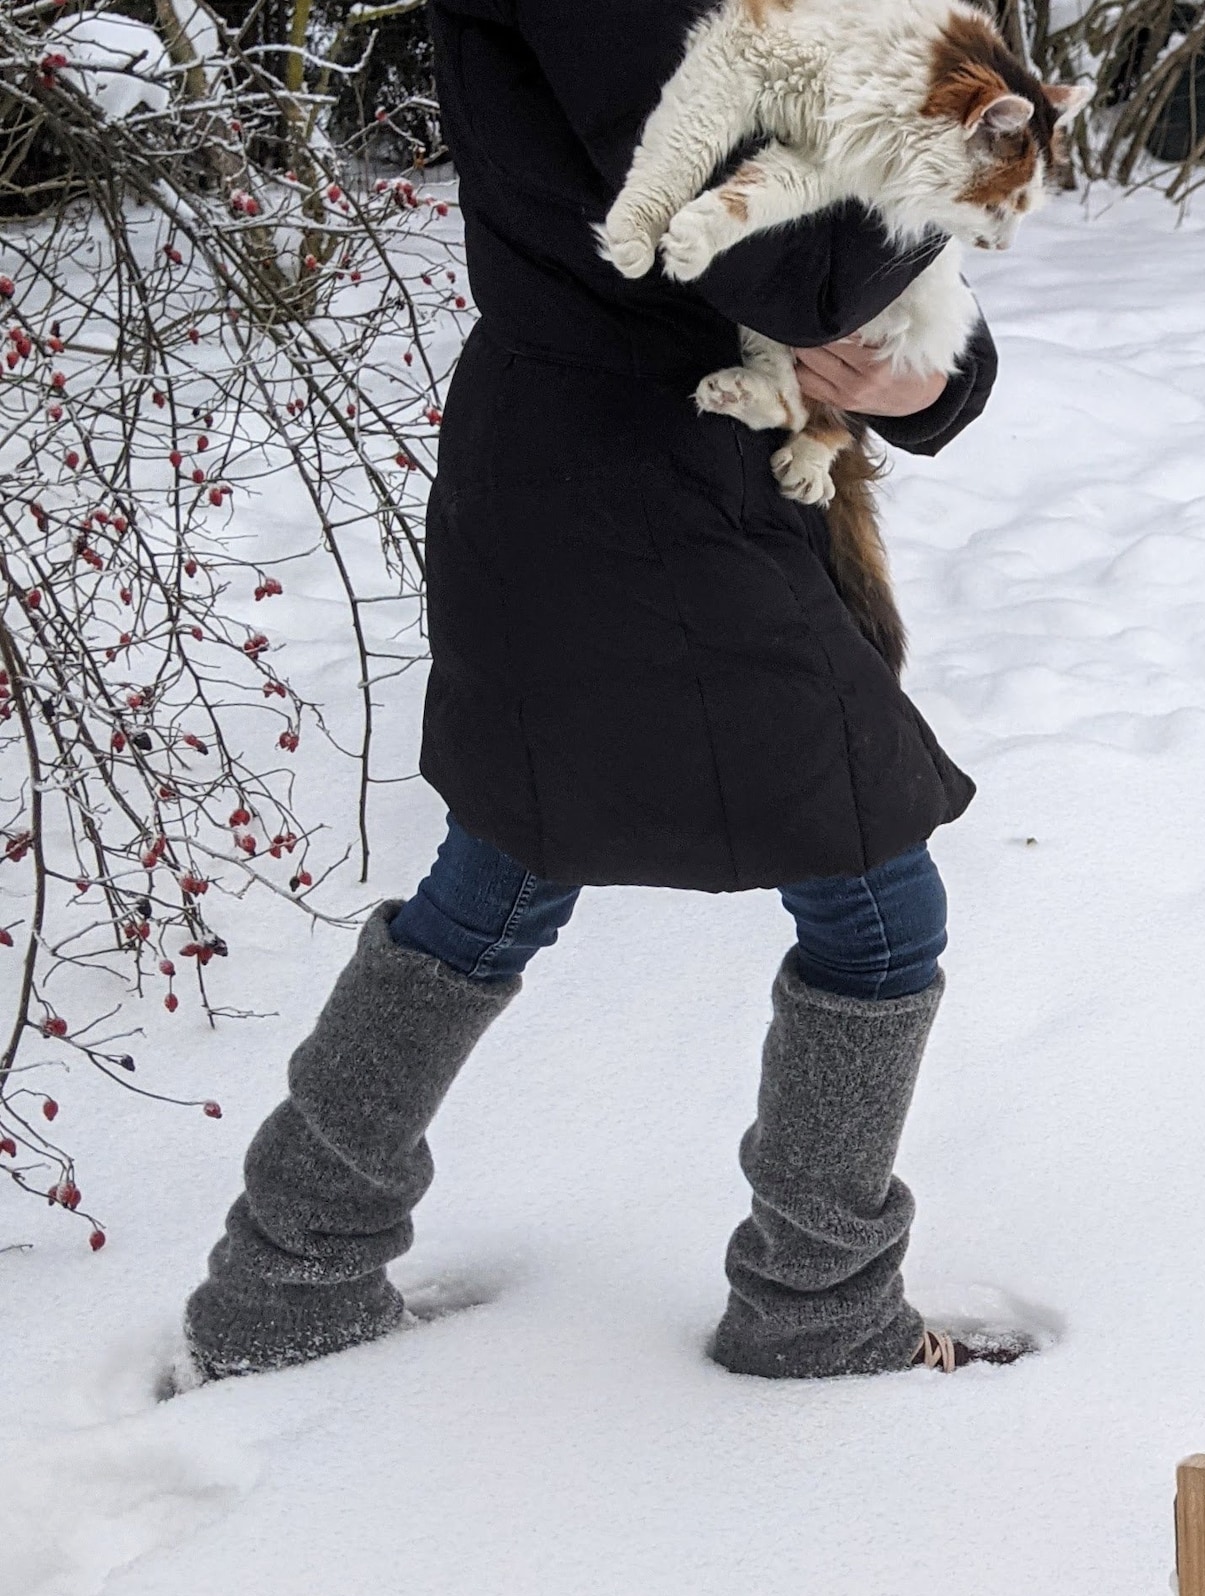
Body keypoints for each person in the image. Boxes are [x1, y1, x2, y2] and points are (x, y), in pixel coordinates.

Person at [182, 0, 1022, 1381]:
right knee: (871, 904)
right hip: (627, 486)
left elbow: (864, 232)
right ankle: (816, 1310)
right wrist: (954, 178)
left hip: (660, 473)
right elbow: (792, 251)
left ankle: (291, 1276)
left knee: (508, 872)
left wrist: (923, 370)